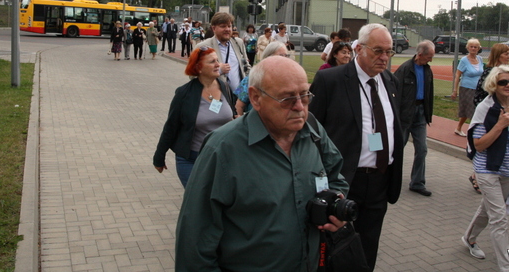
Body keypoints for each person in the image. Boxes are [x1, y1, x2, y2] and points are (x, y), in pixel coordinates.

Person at [175, 56, 349, 271]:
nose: (299, 107)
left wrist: (333, 207)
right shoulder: (222, 149)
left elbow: (336, 177)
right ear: (255, 98)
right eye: (287, 99)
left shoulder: (312, 130)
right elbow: (195, 242)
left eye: (304, 95)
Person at [310, 23, 403, 270]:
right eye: (378, 51)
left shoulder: (390, 82)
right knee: (335, 249)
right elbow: (310, 132)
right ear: (359, 48)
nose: (384, 58)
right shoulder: (331, 80)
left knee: (367, 248)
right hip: (344, 181)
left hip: (380, 182)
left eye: (389, 52)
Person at [463, 65, 509, 272]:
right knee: (499, 218)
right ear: (493, 85)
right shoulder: (486, 108)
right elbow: (478, 144)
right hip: (487, 168)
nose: (508, 85)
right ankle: (506, 268)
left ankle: (469, 238)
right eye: (502, 82)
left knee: (488, 209)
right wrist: (499, 126)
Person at [153, 46, 235, 188]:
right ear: (199, 67)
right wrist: (159, 157)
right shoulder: (184, 94)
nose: (218, 65)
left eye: (217, 60)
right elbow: (170, 127)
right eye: (212, 62)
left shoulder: (225, 87)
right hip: (191, 160)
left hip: (221, 158)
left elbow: (233, 116)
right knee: (199, 202)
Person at [394, 40, 435, 197]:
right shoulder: (405, 69)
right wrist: (397, 116)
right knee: (398, 149)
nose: (431, 59)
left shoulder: (427, 70)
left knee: (422, 149)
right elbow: (395, 94)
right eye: (429, 56)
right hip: (405, 115)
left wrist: (427, 113)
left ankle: (417, 182)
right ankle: (390, 178)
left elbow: (429, 93)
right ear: (420, 54)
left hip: (420, 114)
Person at [469, 43, 509, 193]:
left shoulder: (506, 72)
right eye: (506, 53)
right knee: (485, 144)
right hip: (489, 116)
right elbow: (479, 95)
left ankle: (482, 175)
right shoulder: (490, 72)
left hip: (502, 115)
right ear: (498, 55)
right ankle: (477, 175)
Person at [195, 12, 250, 92]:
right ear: (214, 28)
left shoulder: (238, 43)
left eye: (229, 26)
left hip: (239, 97)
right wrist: (218, 70)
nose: (227, 29)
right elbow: (193, 75)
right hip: (217, 97)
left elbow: (246, 67)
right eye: (223, 26)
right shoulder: (203, 47)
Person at [234, 42, 289, 116]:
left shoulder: (287, 79)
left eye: (286, 56)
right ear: (268, 57)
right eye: (281, 56)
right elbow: (238, 105)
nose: (284, 59)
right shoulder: (252, 78)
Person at [451, 38, 483, 136]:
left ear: (478, 48)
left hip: (478, 89)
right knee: (470, 110)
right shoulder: (464, 60)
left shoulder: (480, 59)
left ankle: (459, 127)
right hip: (467, 88)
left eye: (475, 47)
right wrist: (455, 90)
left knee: (477, 109)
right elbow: (457, 75)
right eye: (471, 47)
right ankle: (473, 131)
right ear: (468, 48)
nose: (473, 49)